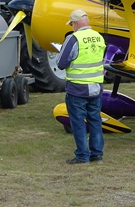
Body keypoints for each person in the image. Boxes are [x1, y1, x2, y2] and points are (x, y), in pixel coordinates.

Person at [56, 9, 106, 164]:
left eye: (71, 24)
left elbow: (61, 63)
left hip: (77, 88)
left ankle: (82, 156)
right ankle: (97, 154)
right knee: (95, 120)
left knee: (78, 122)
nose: (72, 26)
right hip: (96, 87)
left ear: (75, 23)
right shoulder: (99, 37)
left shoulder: (73, 38)